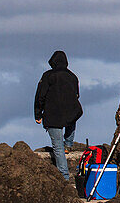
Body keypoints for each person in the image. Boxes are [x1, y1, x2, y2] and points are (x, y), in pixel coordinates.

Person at [34, 50, 83, 181]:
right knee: (72, 119)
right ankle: (69, 143)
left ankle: (64, 176)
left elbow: (40, 96)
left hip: (53, 114)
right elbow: (77, 95)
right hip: (71, 112)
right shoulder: (73, 77)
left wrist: (38, 114)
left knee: (57, 146)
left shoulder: (48, 75)